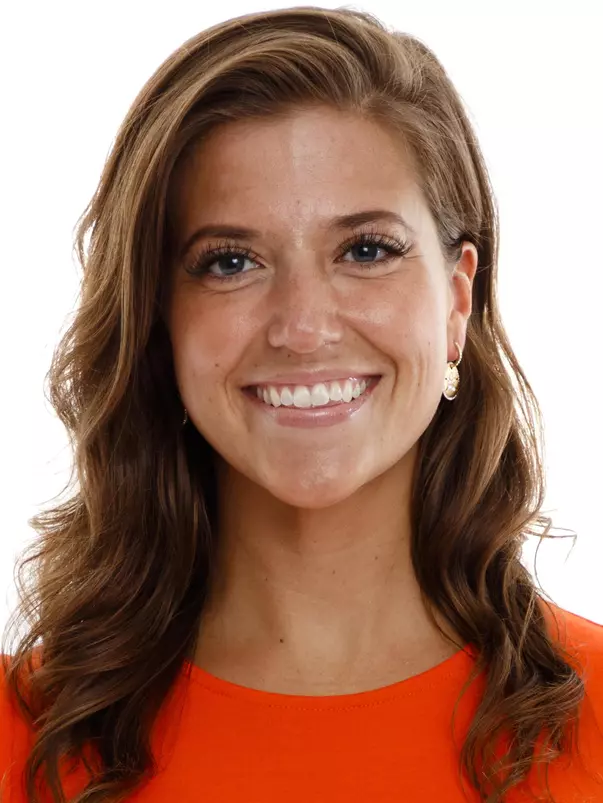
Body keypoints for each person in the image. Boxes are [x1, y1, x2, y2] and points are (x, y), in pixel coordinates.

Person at [1, 6, 602, 803]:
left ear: (456, 301)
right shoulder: (23, 733)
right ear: (159, 320)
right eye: (229, 261)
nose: (303, 328)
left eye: (365, 250)